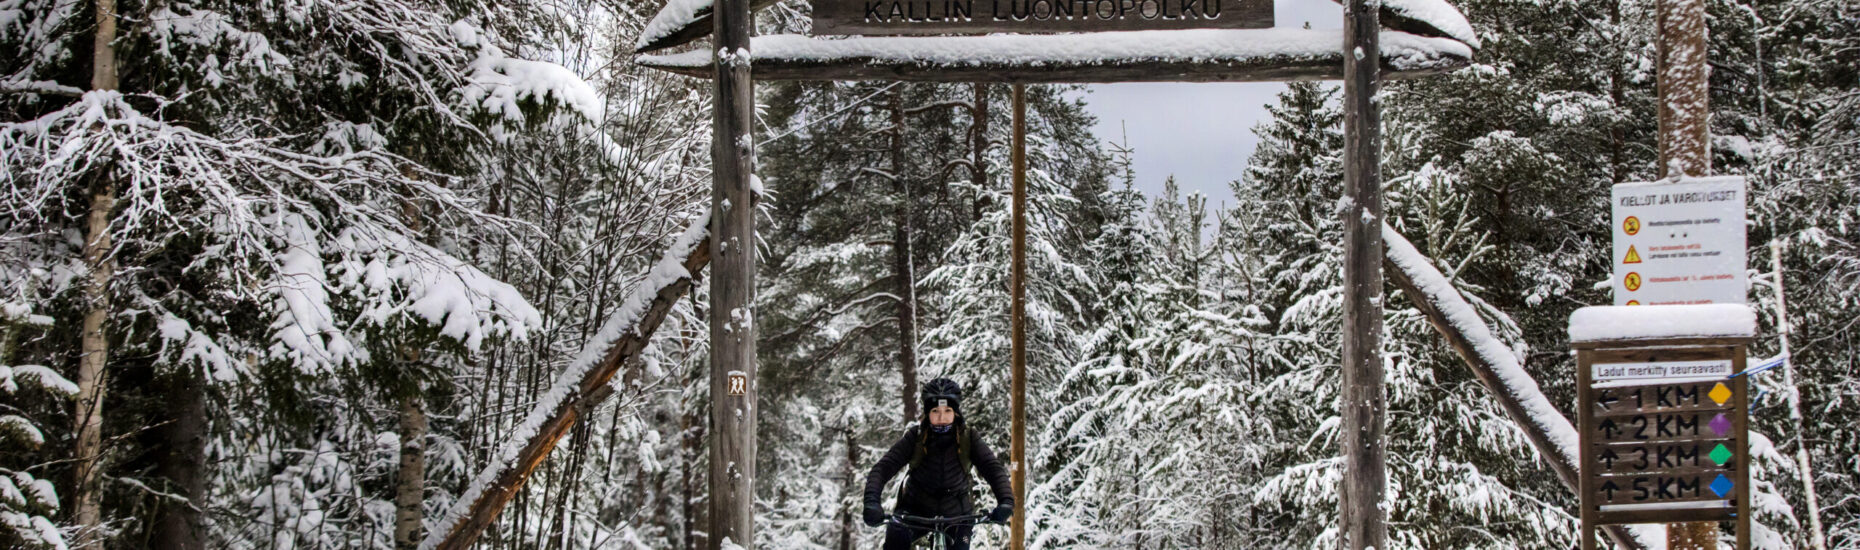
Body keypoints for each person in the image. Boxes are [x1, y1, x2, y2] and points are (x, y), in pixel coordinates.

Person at [863, 378, 1014, 550]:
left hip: (958, 515)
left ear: (955, 412)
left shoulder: (969, 437)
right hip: (915, 511)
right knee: (895, 543)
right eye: (935, 411)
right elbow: (883, 467)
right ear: (928, 413)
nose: (942, 417)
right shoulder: (916, 437)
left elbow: (992, 468)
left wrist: (1006, 501)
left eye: (947, 410)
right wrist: (872, 502)